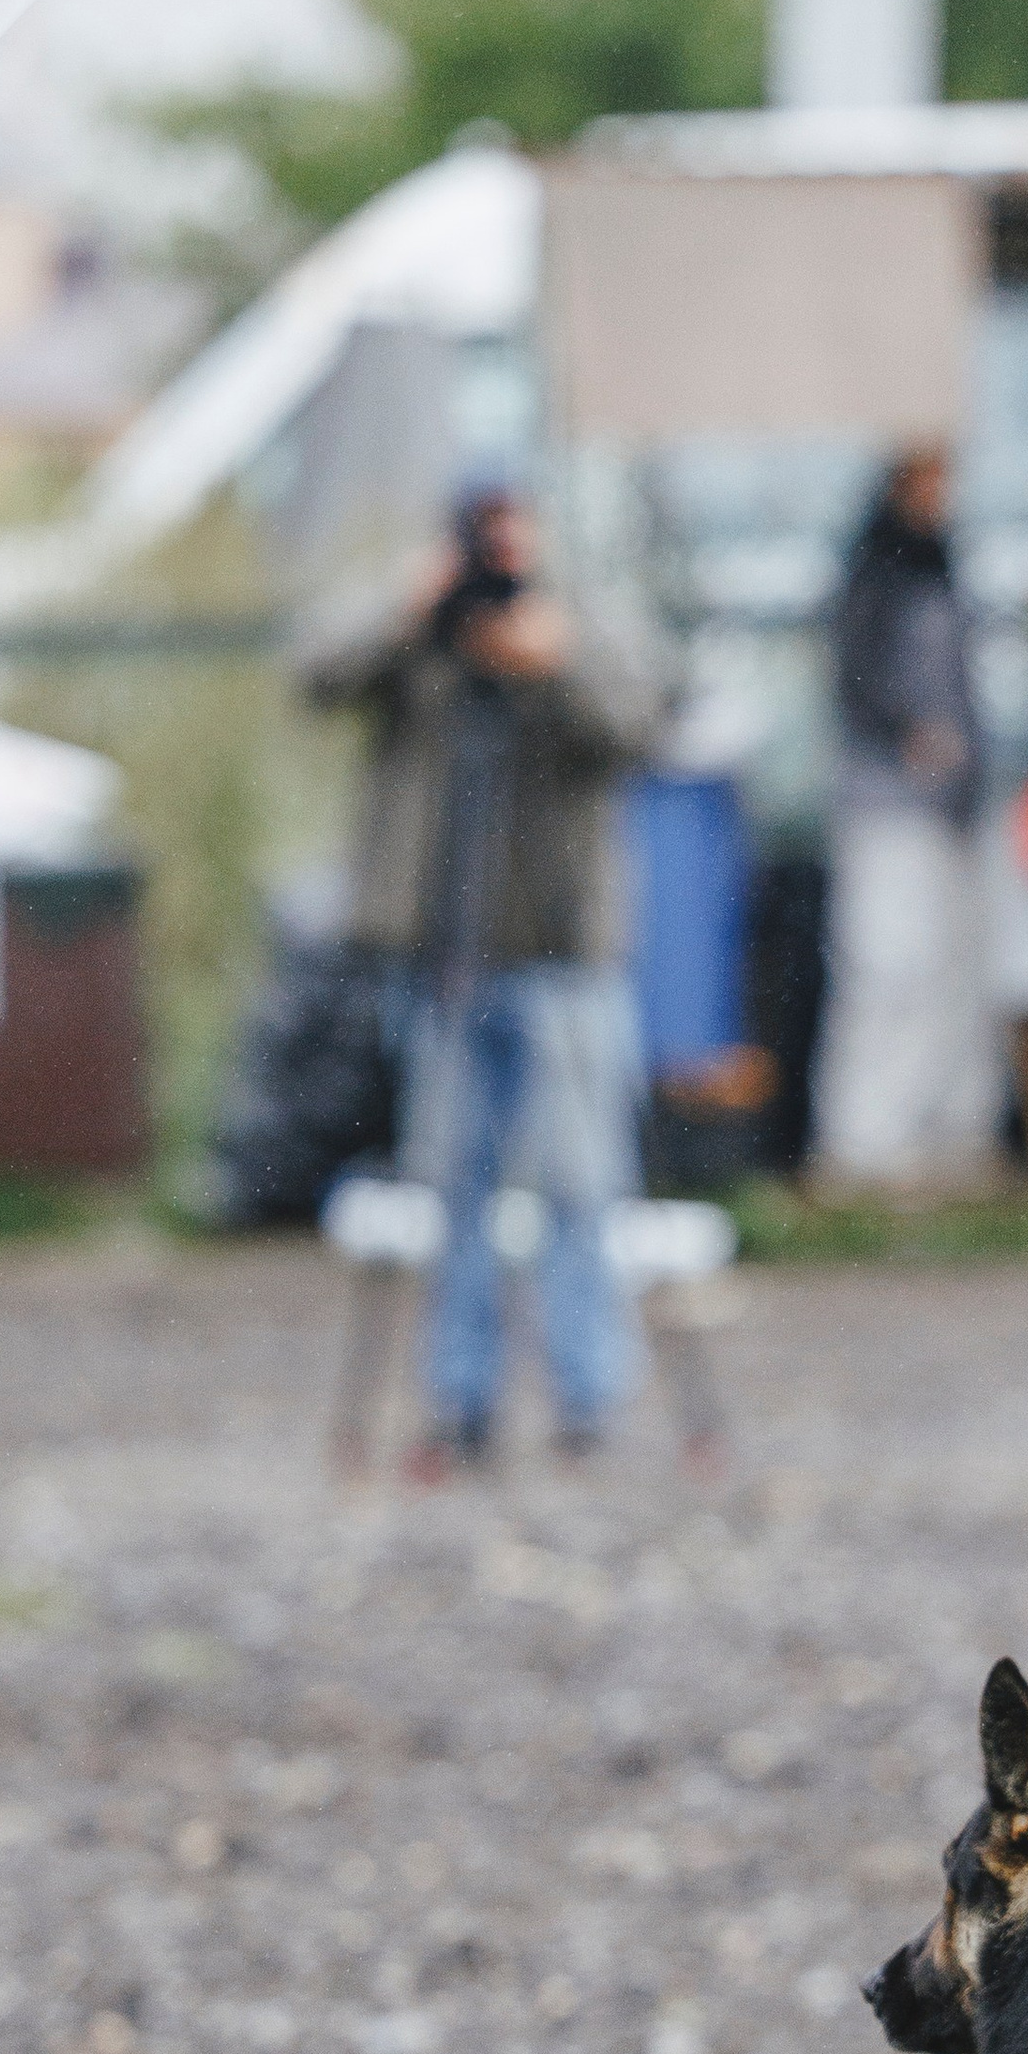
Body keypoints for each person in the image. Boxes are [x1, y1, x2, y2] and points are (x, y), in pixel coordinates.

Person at [298, 482, 650, 1472]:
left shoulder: (576, 612)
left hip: (560, 941)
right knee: (453, 1179)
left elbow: (639, 721)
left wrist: (558, 663)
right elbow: (317, 676)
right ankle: (461, 1399)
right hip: (443, 947)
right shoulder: (423, 625)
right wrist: (408, 609)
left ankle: (587, 1400)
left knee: (580, 1179)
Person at [817, 448, 999, 1184]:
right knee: (888, 967)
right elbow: (851, 682)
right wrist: (907, 732)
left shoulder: (943, 569)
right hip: (886, 806)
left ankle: (932, 1127)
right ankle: (865, 1137)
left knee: (947, 974)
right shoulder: (873, 578)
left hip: (949, 810)